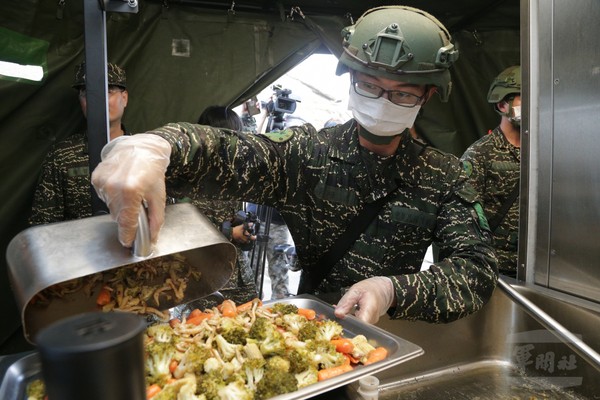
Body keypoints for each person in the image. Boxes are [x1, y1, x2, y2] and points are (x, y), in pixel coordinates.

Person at [91, 6, 498, 325]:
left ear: (428, 96)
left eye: (402, 95)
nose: (382, 102)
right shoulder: (307, 154)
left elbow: (475, 271)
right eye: (369, 87)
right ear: (351, 79)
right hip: (313, 321)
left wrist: (394, 291)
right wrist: (157, 145)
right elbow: (228, 151)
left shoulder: (443, 175)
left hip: (391, 331)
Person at [29, 62, 129, 225]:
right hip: (78, 248)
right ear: (80, 100)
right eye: (87, 93)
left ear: (124, 98)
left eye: (108, 91)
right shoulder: (61, 156)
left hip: (133, 248)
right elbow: (44, 226)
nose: (97, 100)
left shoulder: (143, 152)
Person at [181, 105, 259, 304]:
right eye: (222, 137)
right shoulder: (185, 177)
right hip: (202, 279)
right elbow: (181, 232)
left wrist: (247, 233)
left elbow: (237, 221)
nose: (229, 145)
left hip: (240, 279)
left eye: (235, 138)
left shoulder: (234, 176)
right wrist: (230, 233)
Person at [461, 65, 521, 277]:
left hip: (535, 268)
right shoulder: (480, 154)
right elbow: (465, 218)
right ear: (503, 104)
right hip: (495, 269)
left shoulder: (543, 153)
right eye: (525, 98)